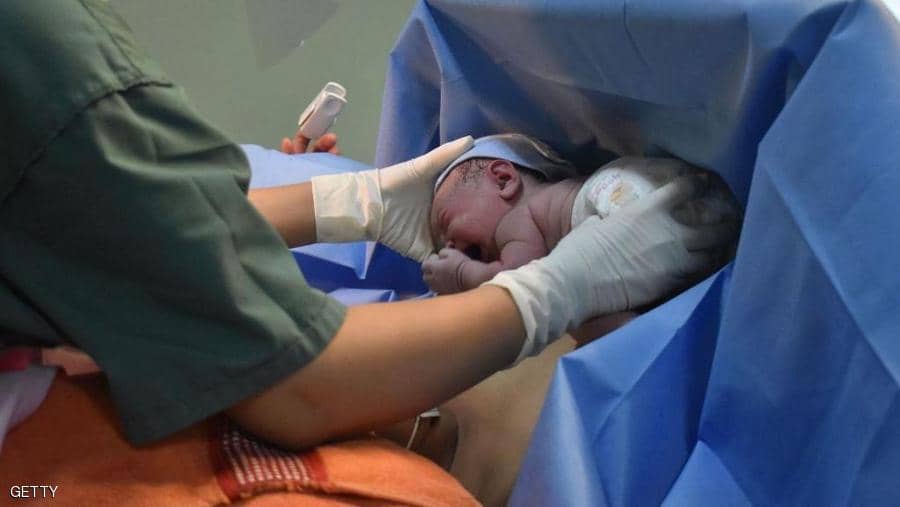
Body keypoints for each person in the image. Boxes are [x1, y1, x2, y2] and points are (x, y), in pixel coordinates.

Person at [0, 0, 735, 456]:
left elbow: (135, 236)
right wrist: (559, 285)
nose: (450, 247)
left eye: (452, 231)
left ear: (507, 179)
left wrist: (361, 206)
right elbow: (293, 383)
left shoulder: (50, 72)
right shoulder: (47, 69)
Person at [424, 134, 739, 296]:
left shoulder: (514, 221)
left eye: (446, 222)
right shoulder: (554, 198)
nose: (448, 245)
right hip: (653, 181)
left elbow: (521, 278)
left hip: (613, 200)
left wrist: (463, 275)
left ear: (504, 180)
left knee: (590, 322)